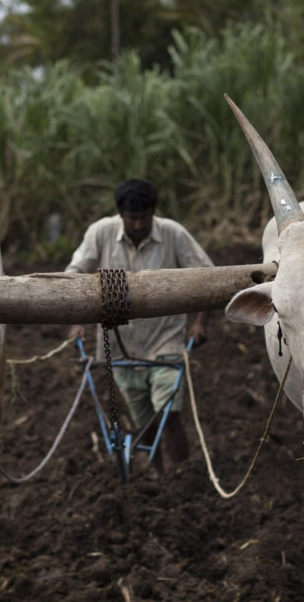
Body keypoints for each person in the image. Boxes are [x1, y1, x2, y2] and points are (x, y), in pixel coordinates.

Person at [66, 178, 213, 472]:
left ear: (153, 213)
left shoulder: (173, 234)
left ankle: (183, 479)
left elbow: (208, 277)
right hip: (118, 344)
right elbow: (74, 274)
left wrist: (199, 324)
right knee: (142, 420)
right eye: (131, 218)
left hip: (165, 339)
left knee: (169, 414)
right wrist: (76, 323)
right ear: (120, 215)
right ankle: (158, 476)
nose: (137, 224)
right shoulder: (100, 233)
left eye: (143, 218)